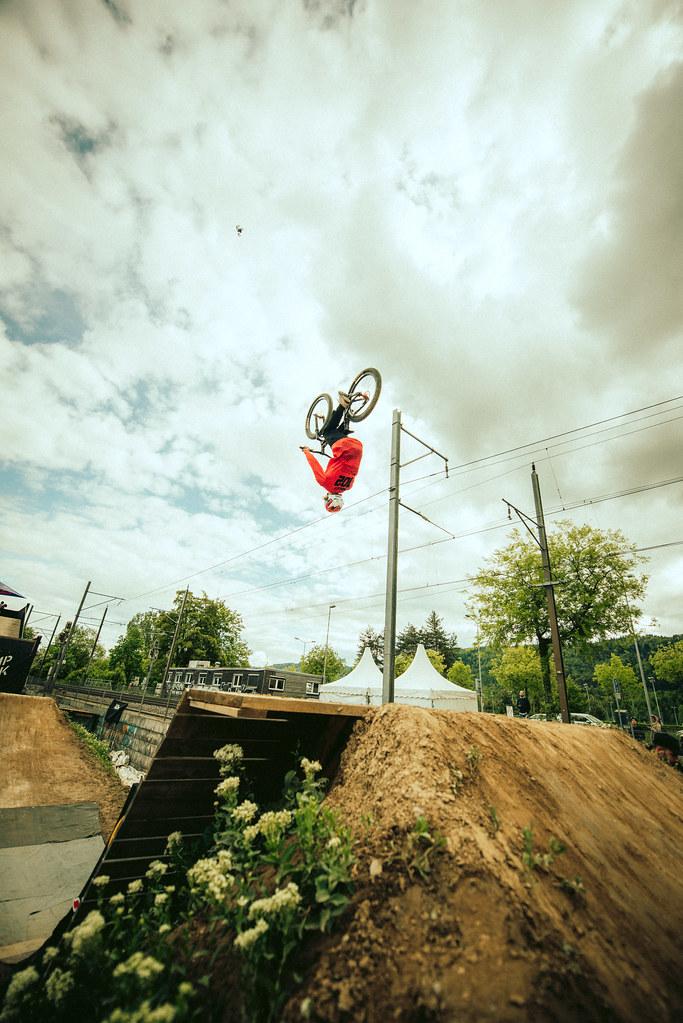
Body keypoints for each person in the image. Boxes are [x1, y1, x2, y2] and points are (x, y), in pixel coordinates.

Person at [301, 392, 365, 514]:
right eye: (326, 499)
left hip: (357, 448)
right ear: (330, 499)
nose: (325, 496)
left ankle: (350, 413)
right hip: (344, 446)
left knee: (337, 433)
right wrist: (306, 451)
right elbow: (315, 466)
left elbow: (344, 471)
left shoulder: (349, 486)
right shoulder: (325, 483)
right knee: (327, 431)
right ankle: (342, 405)